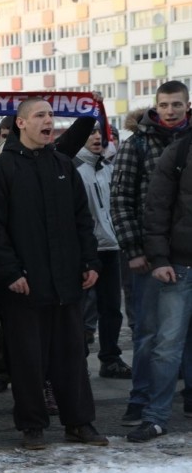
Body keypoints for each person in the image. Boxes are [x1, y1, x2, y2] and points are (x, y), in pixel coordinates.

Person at [0, 98, 108, 450]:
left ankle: (79, 422)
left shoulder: (63, 165)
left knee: (72, 356)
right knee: (27, 361)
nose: (49, 121)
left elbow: (84, 221)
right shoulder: (1, 170)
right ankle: (32, 426)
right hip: (23, 285)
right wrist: (9, 272)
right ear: (21, 124)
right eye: (40, 116)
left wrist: (90, 263)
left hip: (66, 281)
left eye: (51, 115)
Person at [111, 80, 192, 425]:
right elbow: (121, 200)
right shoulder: (138, 144)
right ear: (155, 107)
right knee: (148, 332)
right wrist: (134, 249)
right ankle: (140, 398)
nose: (170, 111)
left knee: (184, 333)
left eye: (176, 104)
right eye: (164, 105)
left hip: (183, 253)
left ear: (187, 106)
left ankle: (186, 396)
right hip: (148, 253)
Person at [131, 133, 192, 441]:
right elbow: (157, 207)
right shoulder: (179, 152)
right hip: (180, 266)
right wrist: (159, 258)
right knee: (167, 346)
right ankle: (156, 416)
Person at [73, 125, 130, 378]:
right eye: (91, 132)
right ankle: (77, 358)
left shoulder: (108, 167)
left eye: (100, 133)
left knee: (111, 308)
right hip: (87, 249)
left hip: (111, 246)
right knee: (83, 310)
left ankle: (110, 357)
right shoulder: (74, 169)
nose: (97, 137)